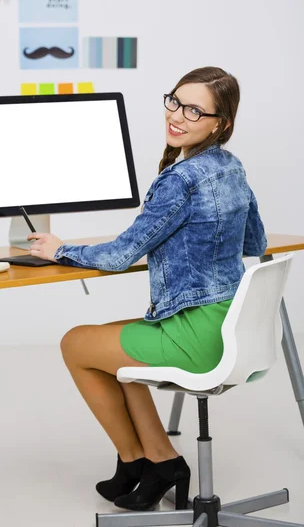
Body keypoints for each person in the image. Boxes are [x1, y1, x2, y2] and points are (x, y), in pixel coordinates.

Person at [27, 66, 267, 512]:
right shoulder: (231, 167)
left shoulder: (181, 178)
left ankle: (144, 458)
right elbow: (255, 243)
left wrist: (61, 249)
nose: (177, 115)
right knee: (111, 351)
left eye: (195, 110)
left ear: (221, 123)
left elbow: (120, 255)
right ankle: (153, 464)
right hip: (230, 326)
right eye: (174, 101)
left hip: (198, 338)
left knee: (75, 344)